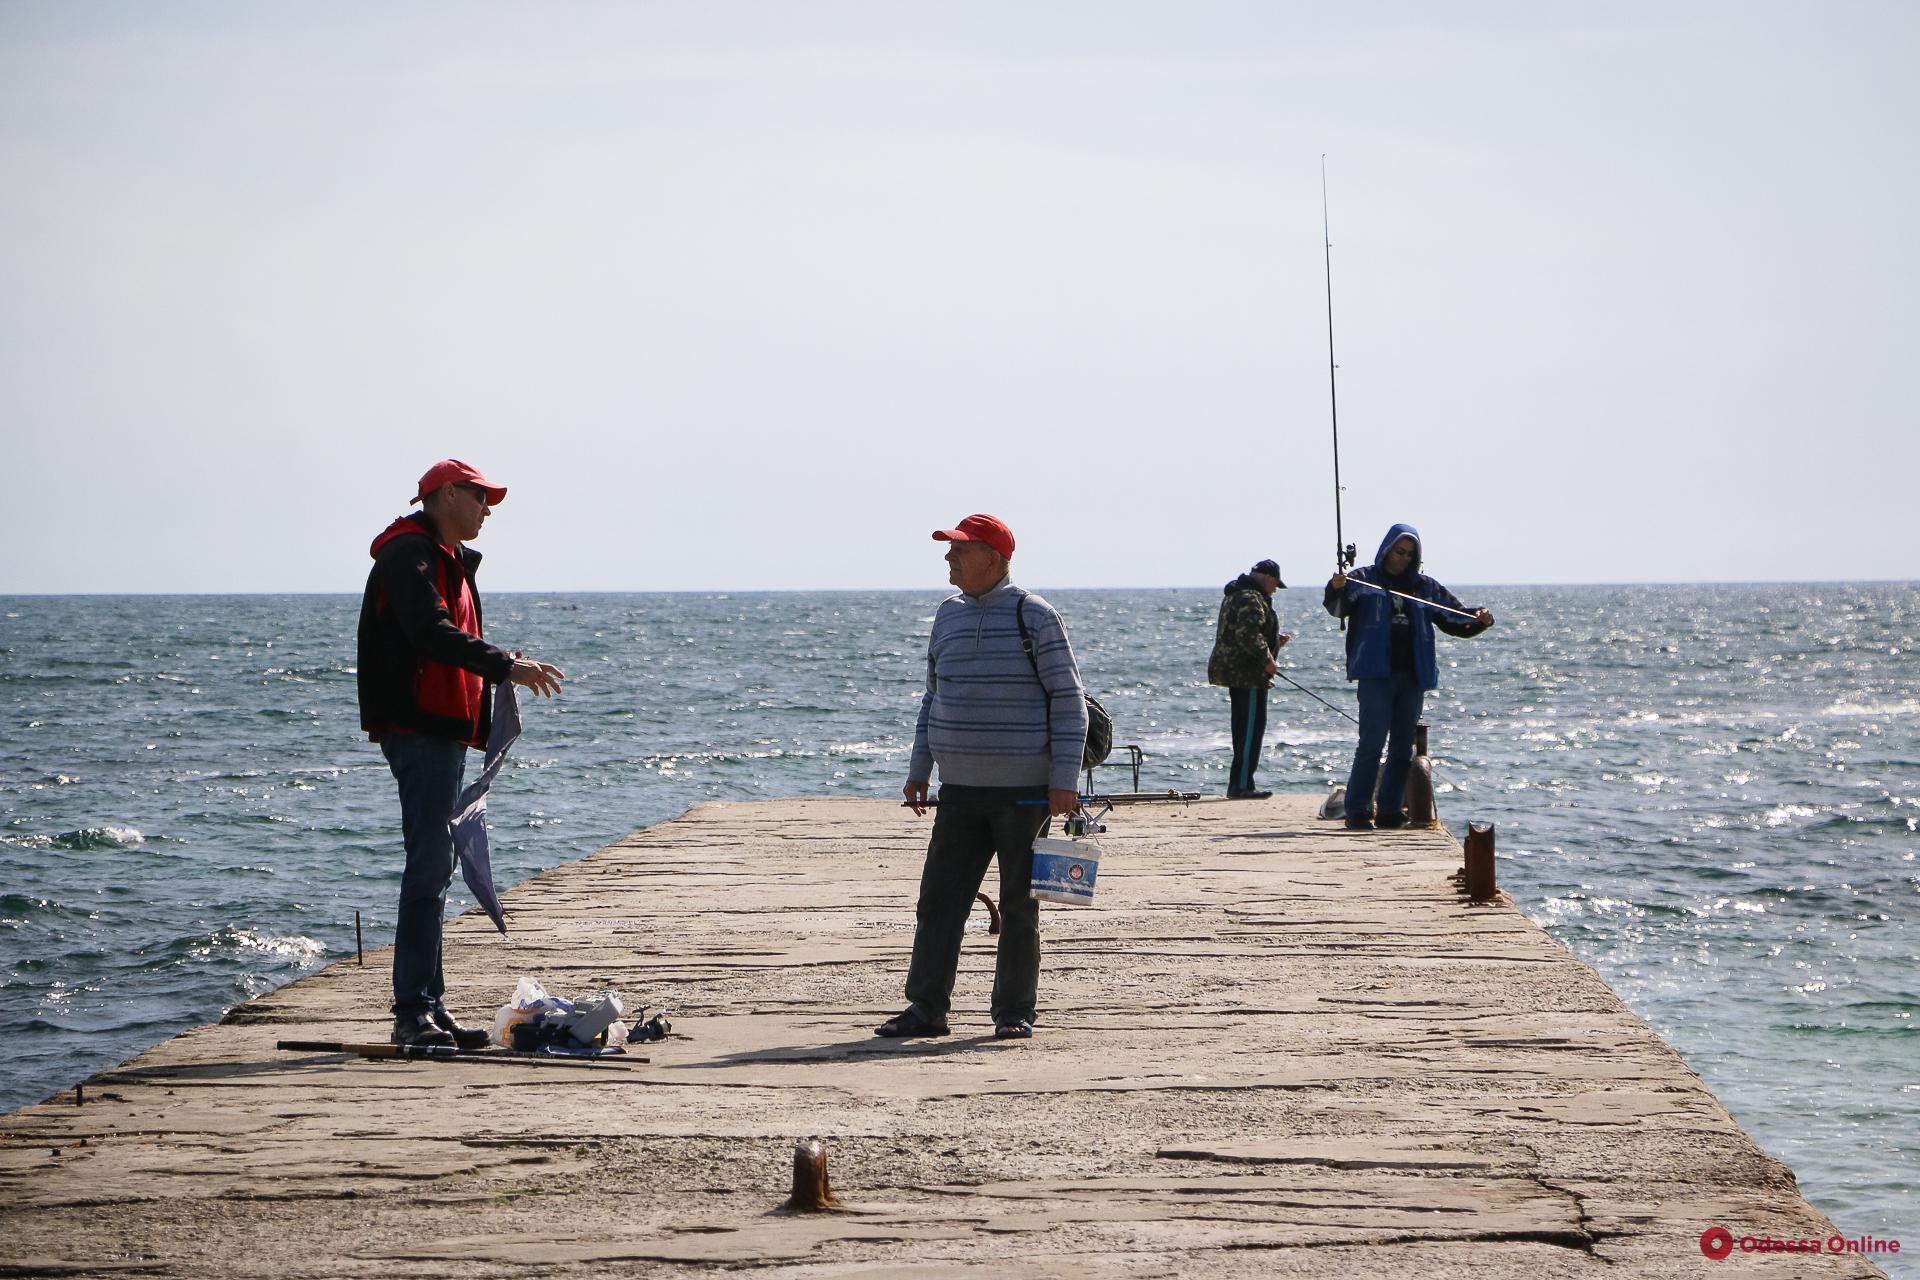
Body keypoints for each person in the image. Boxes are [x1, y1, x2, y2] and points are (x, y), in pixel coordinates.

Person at [357, 459, 565, 1049]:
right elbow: (429, 632)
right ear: (446, 494)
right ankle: (412, 1011)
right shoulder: (408, 554)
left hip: (442, 729)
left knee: (439, 864)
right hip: (419, 729)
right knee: (428, 863)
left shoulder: (444, 559)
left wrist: (497, 671)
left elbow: (448, 636)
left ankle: (431, 1004)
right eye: (479, 497)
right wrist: (507, 666)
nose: (487, 510)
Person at [880, 513, 1087, 1042]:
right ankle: (926, 1009)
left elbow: (1069, 700)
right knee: (939, 903)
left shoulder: (1034, 614)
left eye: (959, 550)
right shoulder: (946, 615)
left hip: (1025, 794)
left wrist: (1063, 778)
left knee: (1021, 906)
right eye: (949, 550)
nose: (948, 559)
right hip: (960, 790)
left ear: (992, 557)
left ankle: (1013, 1012)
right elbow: (933, 696)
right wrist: (918, 768)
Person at [1324, 523, 1493, 830]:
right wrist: (1336, 587)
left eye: (1409, 554)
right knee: (1371, 743)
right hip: (1375, 675)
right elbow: (1337, 608)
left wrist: (1479, 618)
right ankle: (1359, 809)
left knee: (1403, 746)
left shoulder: (1426, 587)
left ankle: (1389, 810)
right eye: (1399, 551)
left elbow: (1454, 619)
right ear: (1387, 549)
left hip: (1413, 675)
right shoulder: (1361, 579)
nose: (1402, 558)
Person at [1207, 558, 1290, 799]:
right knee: (1252, 729)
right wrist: (1268, 660)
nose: (1274, 590)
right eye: (1275, 584)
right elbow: (1248, 635)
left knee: (1242, 730)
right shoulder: (1251, 597)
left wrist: (1275, 642)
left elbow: (1245, 632)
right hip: (1249, 675)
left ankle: (1240, 783)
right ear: (1267, 578)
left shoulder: (1236, 593)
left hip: (1237, 673)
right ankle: (1242, 785)